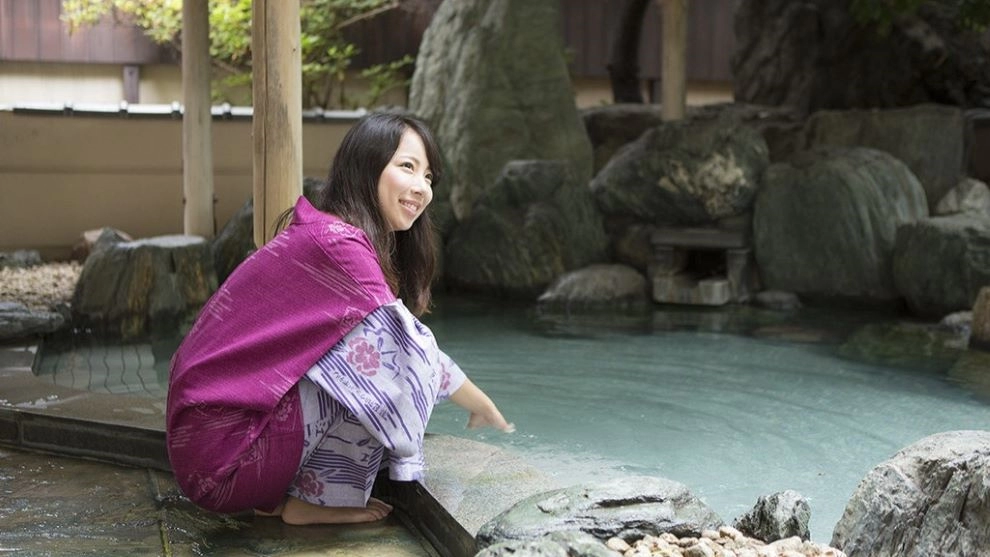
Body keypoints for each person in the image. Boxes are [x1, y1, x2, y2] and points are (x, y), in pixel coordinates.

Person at [166, 112, 513, 526]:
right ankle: (318, 502)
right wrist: (478, 402)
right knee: (379, 359)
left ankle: (285, 500)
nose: (422, 188)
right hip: (227, 459)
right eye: (408, 167)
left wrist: (477, 401)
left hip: (211, 449)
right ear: (366, 167)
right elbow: (409, 352)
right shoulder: (339, 246)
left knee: (363, 347)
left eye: (429, 177)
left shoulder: (327, 234)